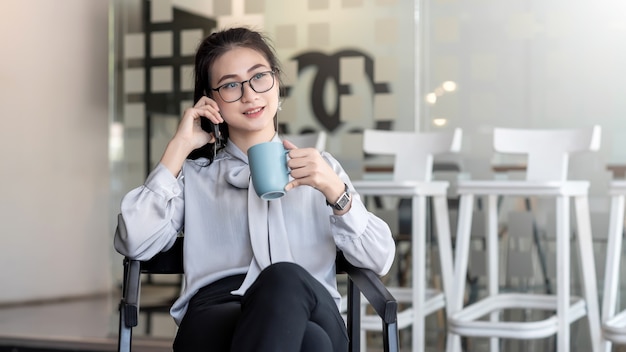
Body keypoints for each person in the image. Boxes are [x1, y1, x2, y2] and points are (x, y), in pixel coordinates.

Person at [114, 27, 395, 352]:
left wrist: (336, 191)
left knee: (284, 280)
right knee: (311, 342)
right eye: (231, 84)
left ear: (277, 84)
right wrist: (178, 148)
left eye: (259, 77)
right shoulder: (194, 176)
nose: (249, 95)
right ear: (211, 100)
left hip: (312, 303)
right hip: (217, 312)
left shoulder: (321, 168)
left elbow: (380, 259)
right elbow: (132, 240)